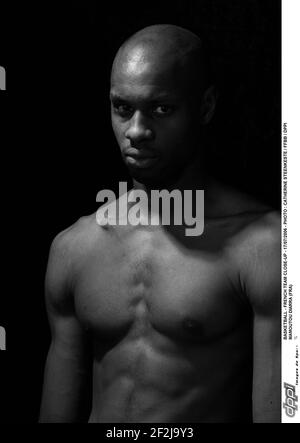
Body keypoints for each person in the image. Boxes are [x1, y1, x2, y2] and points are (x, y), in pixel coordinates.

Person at [39, 24, 280, 423]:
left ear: (205, 107)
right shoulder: (73, 248)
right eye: (122, 108)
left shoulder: (264, 248)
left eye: (161, 109)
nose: (136, 131)